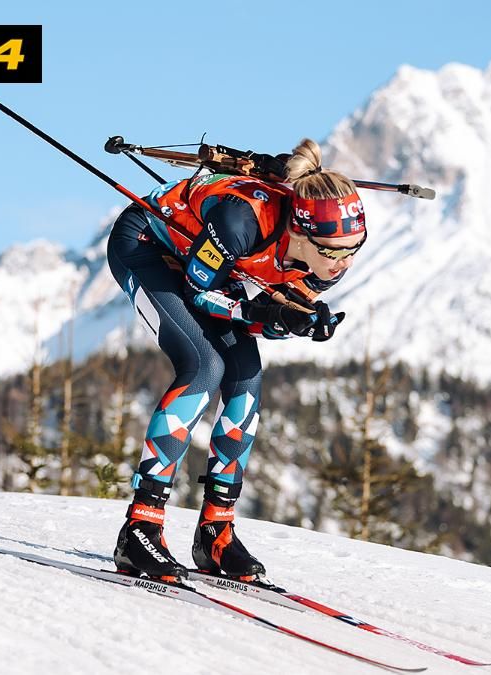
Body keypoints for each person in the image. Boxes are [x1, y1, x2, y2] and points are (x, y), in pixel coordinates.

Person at [105, 139, 367, 582]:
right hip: (149, 248)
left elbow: (261, 310)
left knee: (246, 381)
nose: (342, 263)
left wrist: (293, 321)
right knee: (204, 367)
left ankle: (216, 533)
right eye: (333, 250)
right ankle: (140, 528)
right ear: (300, 234)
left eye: (353, 248)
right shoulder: (241, 221)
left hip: (210, 275)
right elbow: (198, 293)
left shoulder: (317, 262)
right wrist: (264, 312)